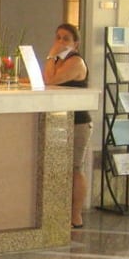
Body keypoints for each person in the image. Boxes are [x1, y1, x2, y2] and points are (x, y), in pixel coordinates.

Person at [42, 23, 93, 229]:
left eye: (65, 38)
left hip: (78, 123)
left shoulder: (76, 62)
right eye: (58, 37)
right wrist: (53, 58)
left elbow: (51, 80)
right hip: (60, 120)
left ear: (75, 44)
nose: (60, 42)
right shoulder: (59, 61)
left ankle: (76, 215)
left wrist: (50, 56)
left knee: (75, 168)